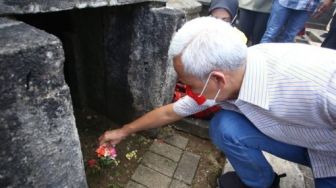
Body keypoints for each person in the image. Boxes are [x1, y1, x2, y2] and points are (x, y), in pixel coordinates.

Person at [99, 17, 336, 188]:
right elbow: (170, 113)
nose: (188, 92)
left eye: (189, 84)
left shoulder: (323, 87)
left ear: (218, 79)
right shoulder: (233, 72)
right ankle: (261, 182)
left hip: (330, 155)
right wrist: (124, 130)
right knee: (225, 126)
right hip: (303, 137)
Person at [261, 0, 334, 43]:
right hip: (284, 2)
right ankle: (261, 60)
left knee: (289, 36)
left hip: (308, 5)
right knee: (271, 33)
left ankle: (279, 63)